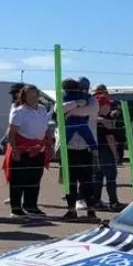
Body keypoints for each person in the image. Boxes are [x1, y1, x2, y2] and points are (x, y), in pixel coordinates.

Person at [3, 84, 53, 218]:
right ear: (24, 96)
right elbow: (11, 133)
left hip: (39, 150)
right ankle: (16, 208)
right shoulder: (19, 111)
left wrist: (49, 143)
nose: (34, 98)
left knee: (34, 179)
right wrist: (15, 150)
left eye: (36, 95)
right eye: (30, 96)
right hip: (22, 149)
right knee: (18, 180)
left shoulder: (42, 109)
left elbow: (45, 127)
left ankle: (31, 206)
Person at [59, 77, 100, 222]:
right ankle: (71, 210)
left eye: (84, 87)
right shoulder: (65, 98)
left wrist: (71, 112)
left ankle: (91, 210)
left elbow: (91, 110)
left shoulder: (92, 100)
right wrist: (75, 104)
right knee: (69, 181)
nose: (82, 90)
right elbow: (58, 109)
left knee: (87, 181)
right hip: (68, 148)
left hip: (86, 148)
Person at [93, 84, 124, 212]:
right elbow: (110, 138)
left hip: (95, 151)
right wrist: (115, 153)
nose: (109, 107)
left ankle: (96, 201)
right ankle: (113, 202)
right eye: (106, 105)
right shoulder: (105, 121)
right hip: (106, 150)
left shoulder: (93, 118)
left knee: (98, 177)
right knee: (111, 176)